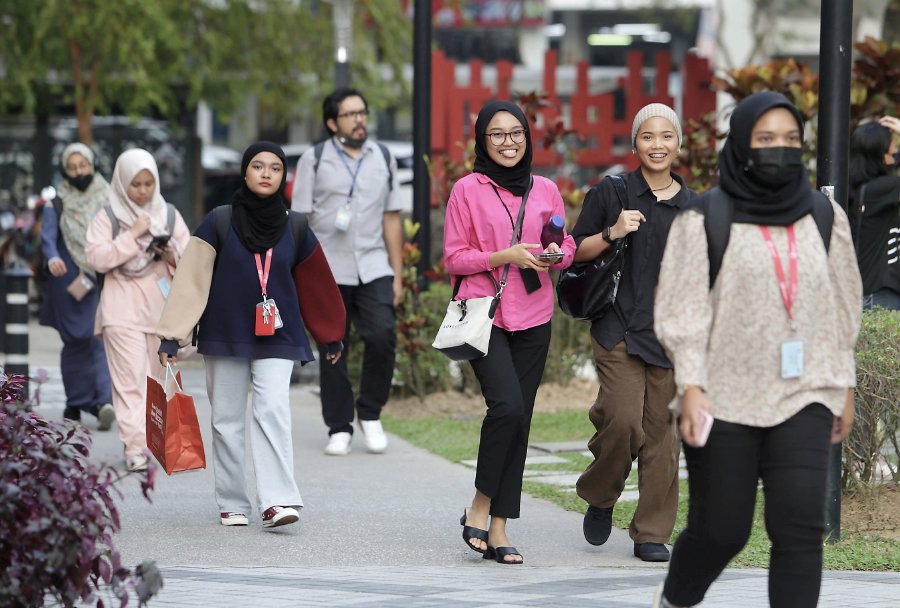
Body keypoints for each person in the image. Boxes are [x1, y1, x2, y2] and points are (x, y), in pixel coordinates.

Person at [652, 91, 861, 608]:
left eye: (791, 140)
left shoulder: (824, 216)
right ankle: (676, 598)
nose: (780, 149)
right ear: (743, 144)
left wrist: (844, 384)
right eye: (766, 139)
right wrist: (692, 387)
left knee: (800, 527)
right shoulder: (703, 219)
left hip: (806, 391)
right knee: (722, 530)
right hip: (724, 396)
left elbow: (842, 307)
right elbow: (683, 314)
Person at [157, 142, 345, 529]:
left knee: (272, 411)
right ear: (245, 173)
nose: (265, 173)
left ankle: (276, 502)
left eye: (275, 168)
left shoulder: (295, 226)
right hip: (225, 332)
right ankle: (232, 501)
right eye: (257, 166)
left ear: (283, 177)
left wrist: (330, 334)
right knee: (226, 420)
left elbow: (316, 284)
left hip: (278, 333)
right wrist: (172, 336)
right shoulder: (218, 221)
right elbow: (192, 280)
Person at [444, 100, 576, 564]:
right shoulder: (467, 189)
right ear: (482, 140)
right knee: (506, 407)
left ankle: (499, 526)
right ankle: (480, 504)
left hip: (536, 313)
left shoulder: (545, 188)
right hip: (486, 314)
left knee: (521, 418)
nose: (508, 142)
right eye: (497, 134)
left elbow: (568, 243)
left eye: (516, 132)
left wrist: (557, 254)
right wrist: (506, 256)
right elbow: (455, 258)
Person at [570, 103, 695, 563]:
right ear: (636, 143)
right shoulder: (612, 192)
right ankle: (601, 496)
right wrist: (612, 231)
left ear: (677, 143)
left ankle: (651, 532)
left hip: (670, 335)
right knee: (622, 421)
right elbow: (573, 252)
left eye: (666, 136)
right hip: (617, 327)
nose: (657, 144)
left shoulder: (694, 206)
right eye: (648, 136)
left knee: (662, 434)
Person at [290, 87, 401, 456]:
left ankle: (370, 413)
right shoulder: (314, 159)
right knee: (333, 347)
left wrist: (397, 274)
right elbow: (300, 219)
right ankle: (339, 427)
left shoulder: (383, 157)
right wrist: (297, 274)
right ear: (332, 122)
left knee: (383, 336)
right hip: (327, 269)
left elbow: (391, 217)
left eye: (362, 112)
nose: (360, 120)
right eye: (351, 114)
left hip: (373, 265)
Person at [85, 148, 190, 471]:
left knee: (157, 382)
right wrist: (133, 234)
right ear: (121, 184)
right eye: (135, 185)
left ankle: (159, 442)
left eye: (148, 183)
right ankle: (134, 448)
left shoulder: (169, 214)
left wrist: (170, 251)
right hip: (120, 312)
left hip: (159, 314)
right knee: (130, 382)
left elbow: (190, 262)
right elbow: (96, 258)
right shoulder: (108, 216)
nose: (143, 191)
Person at [39, 143, 115, 429]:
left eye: (82, 165)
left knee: (98, 337)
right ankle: (76, 400)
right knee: (74, 341)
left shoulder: (109, 197)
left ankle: (102, 402)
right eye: (71, 168)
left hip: (102, 275)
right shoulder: (57, 201)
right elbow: (47, 238)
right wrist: (53, 257)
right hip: (69, 278)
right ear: (64, 171)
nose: (78, 172)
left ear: (93, 164)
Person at [848, 116, 900, 310]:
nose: (895, 151)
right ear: (881, 155)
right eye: (892, 146)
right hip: (882, 298)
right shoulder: (886, 189)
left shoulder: (859, 188)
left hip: (866, 294)